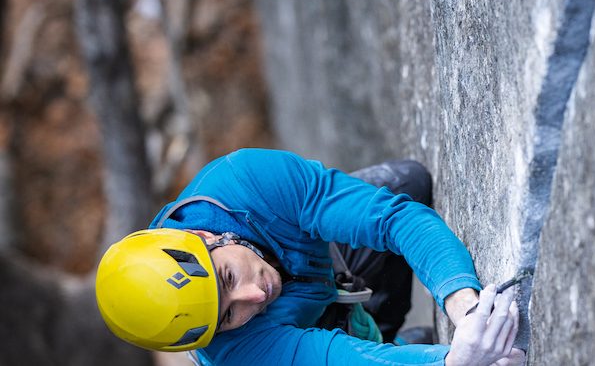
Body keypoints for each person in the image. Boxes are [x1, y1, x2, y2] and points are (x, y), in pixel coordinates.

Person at [96, 148, 525, 365]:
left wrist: (466, 308)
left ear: (206, 235)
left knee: (403, 184)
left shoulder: (247, 181)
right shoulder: (236, 352)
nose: (254, 296)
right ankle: (390, 341)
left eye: (226, 277)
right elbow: (329, 358)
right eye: (227, 316)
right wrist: (454, 360)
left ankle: (385, 329)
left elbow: (394, 220)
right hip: (302, 333)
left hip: (327, 275)